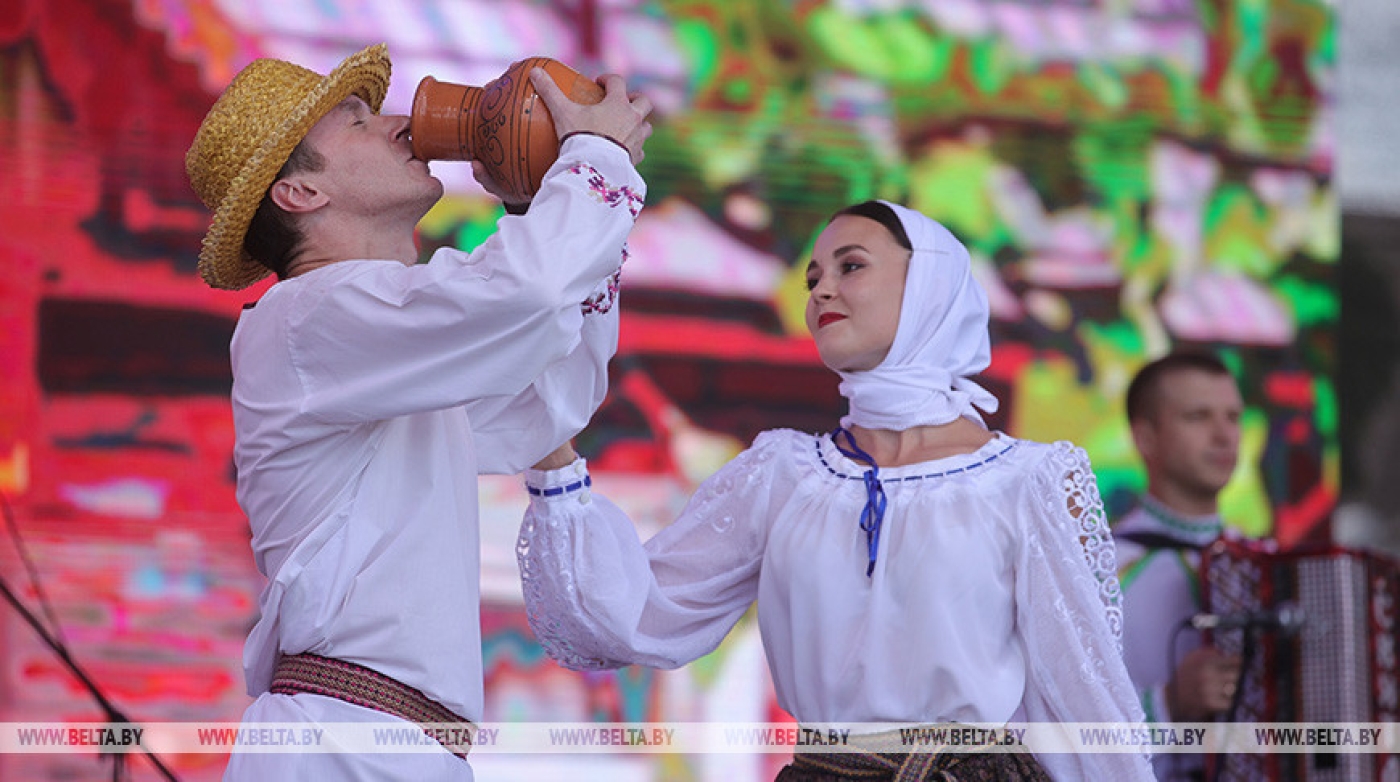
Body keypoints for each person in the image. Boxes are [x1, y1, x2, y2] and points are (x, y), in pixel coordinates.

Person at [515, 200, 1154, 781]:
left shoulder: (1029, 480)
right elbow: (637, 614)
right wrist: (554, 458)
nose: (822, 288)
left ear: (929, 286)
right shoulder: (783, 474)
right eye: (813, 277)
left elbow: (1083, 698)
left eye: (851, 266)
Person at [183, 42, 651, 780]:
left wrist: (534, 199)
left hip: (380, 744)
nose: (401, 124)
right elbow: (527, 297)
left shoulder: (377, 351)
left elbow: (547, 402)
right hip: (340, 742)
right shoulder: (306, 318)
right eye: (359, 121)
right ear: (299, 192)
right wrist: (596, 158)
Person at [1113, 352, 1245, 781]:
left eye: (1233, 417)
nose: (1224, 436)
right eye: (1198, 416)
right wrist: (1168, 703)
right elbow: (1055, 735)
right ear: (1145, 438)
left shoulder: (1270, 564)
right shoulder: (1096, 569)